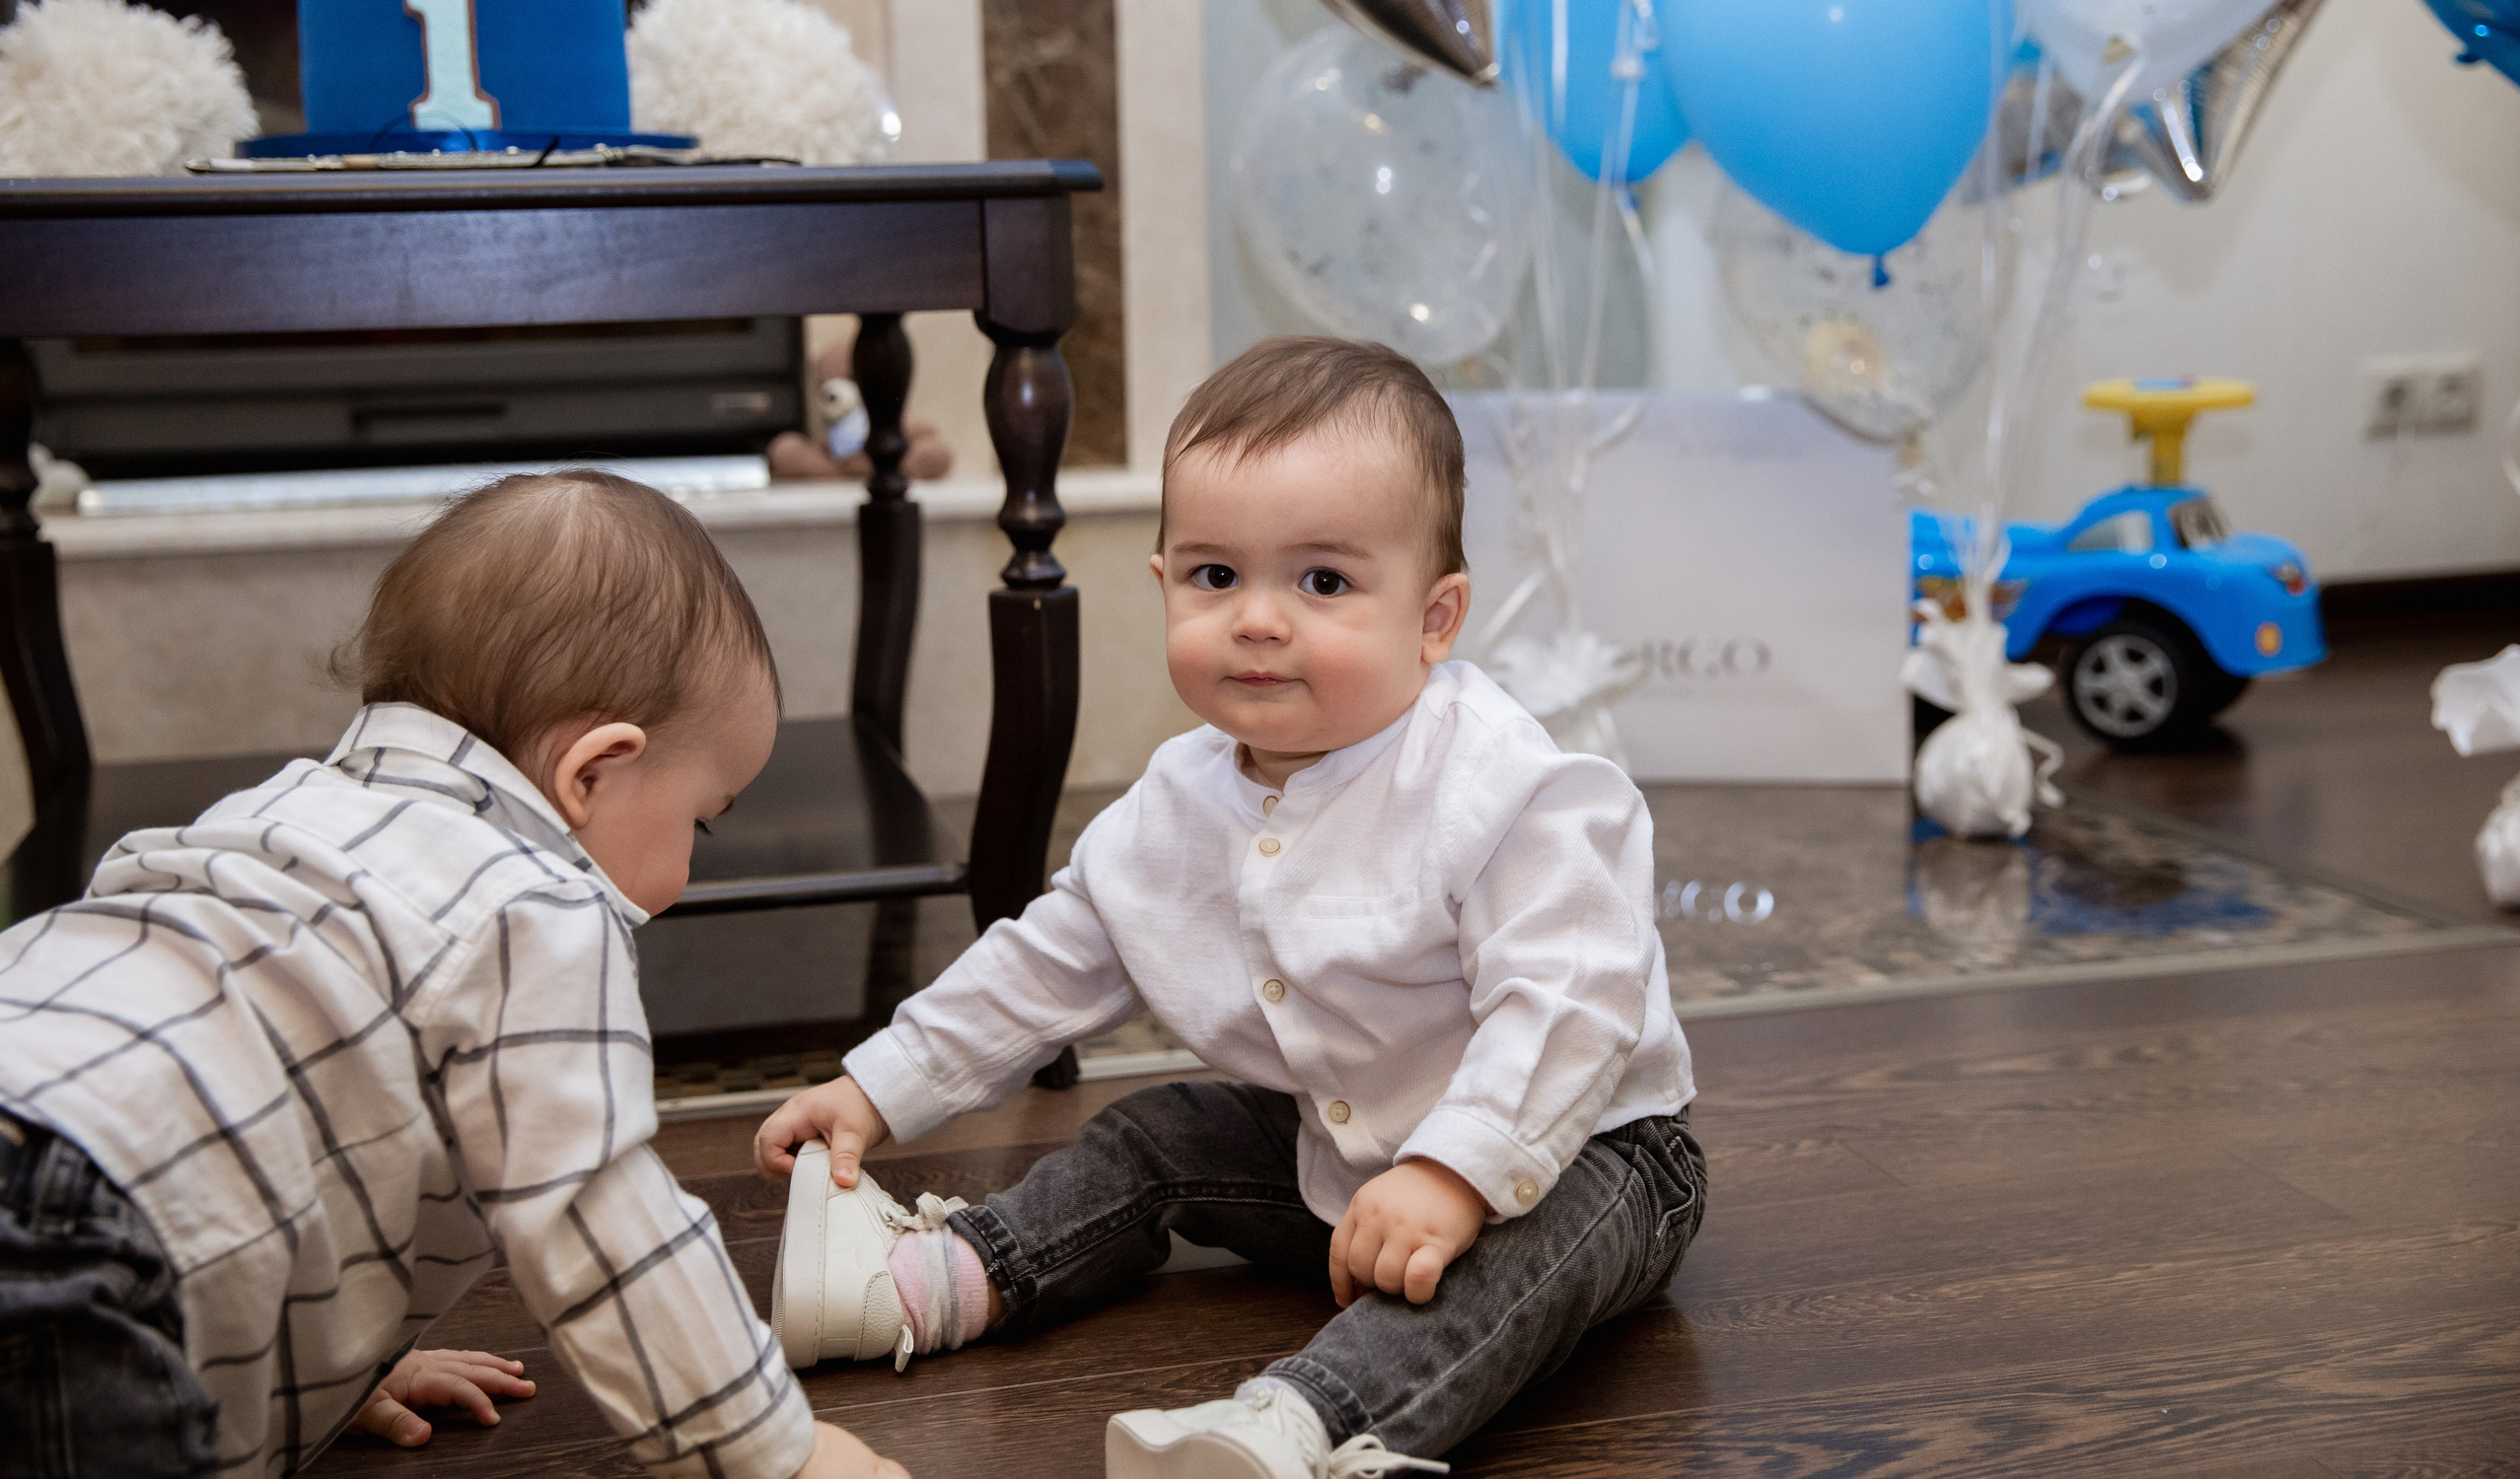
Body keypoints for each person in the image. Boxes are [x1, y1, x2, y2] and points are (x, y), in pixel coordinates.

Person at [756, 338, 1706, 1479]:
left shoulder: (1498, 785)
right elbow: (1047, 962)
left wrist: (1454, 1173)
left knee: (1499, 1274)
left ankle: (1304, 1426)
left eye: (1322, 583)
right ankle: (942, 1281)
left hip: (1589, 1156)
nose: (1257, 620)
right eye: (1215, 577)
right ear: (1163, 582)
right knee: (1160, 1131)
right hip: (1342, 1157)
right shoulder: (1177, 801)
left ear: (1434, 617)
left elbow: (1570, 1000)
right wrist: (877, 1088)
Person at [0, 471, 902, 1479]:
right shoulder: (532, 903)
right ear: (591, 773)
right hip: (67, 1221)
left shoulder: (272, 814)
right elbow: (601, 1223)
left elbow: (279, 1123)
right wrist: (780, 1455)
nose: (690, 866)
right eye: (701, 819)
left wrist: (340, 1364)